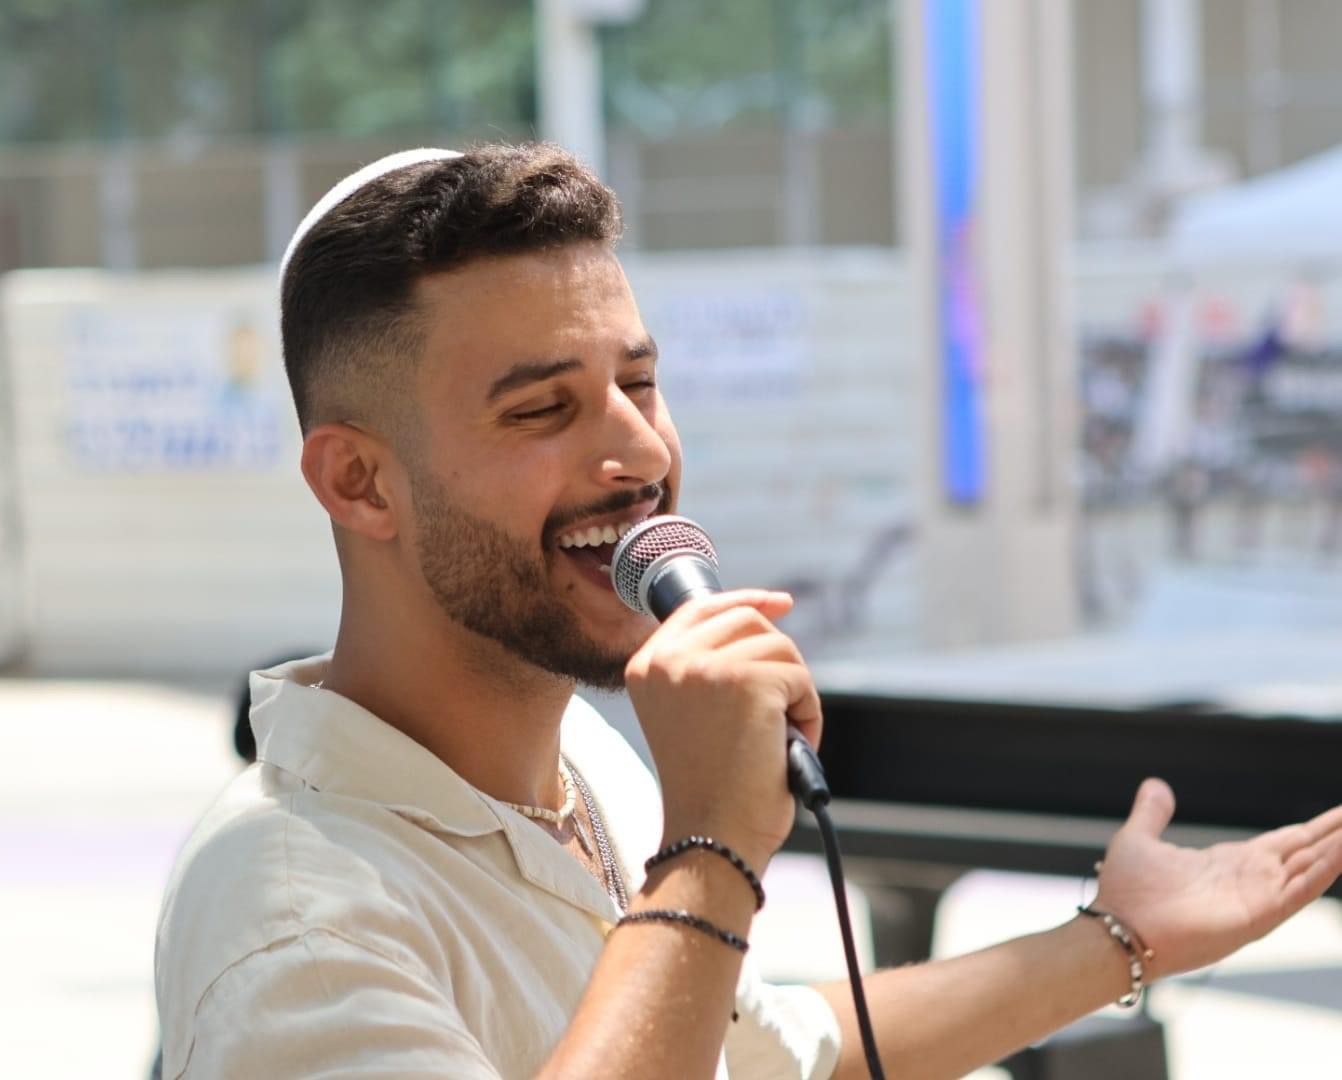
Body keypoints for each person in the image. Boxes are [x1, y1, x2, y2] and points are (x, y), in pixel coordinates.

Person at [154, 144, 1342, 1080]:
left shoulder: (582, 762)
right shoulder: (295, 920)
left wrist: (1119, 939)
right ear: (359, 482)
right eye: (541, 411)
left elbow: (768, 1052)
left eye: (639, 383)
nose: (639, 452)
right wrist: (709, 853)